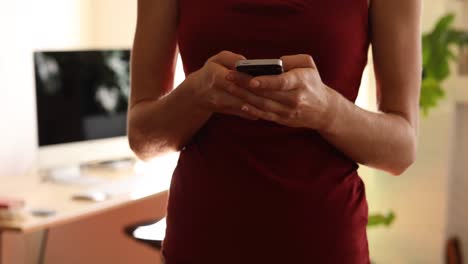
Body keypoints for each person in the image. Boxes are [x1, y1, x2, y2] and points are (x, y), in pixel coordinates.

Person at [128, 0, 421, 263]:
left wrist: (328, 111)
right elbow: (142, 138)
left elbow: (402, 149)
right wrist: (196, 95)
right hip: (201, 240)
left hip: (324, 244)